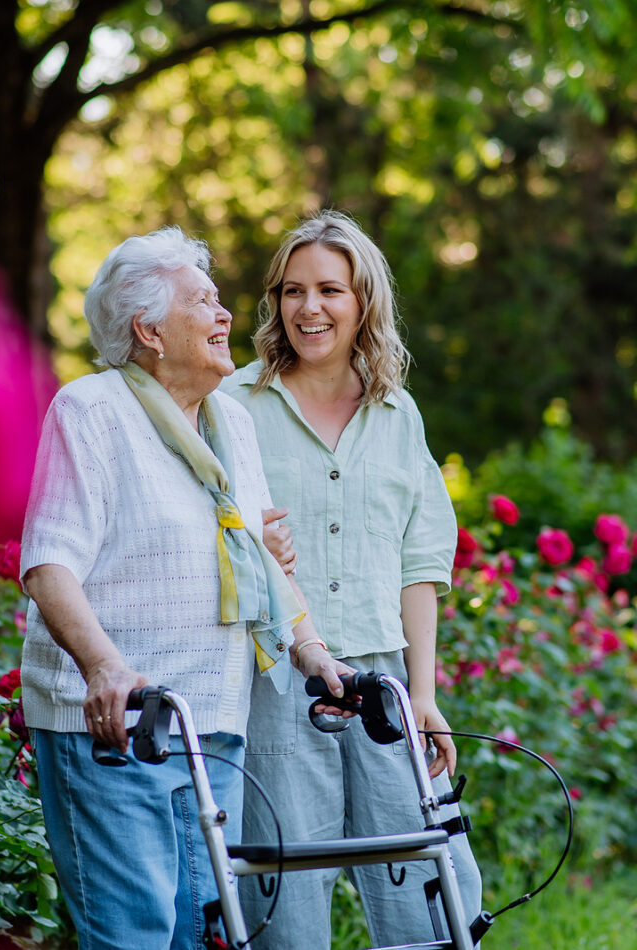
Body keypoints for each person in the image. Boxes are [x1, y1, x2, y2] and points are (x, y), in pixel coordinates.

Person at [19, 226, 348, 950]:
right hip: (117, 727)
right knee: (136, 933)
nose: (226, 314)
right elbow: (49, 562)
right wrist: (103, 665)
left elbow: (260, 559)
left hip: (212, 725)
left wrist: (313, 651)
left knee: (205, 935)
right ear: (149, 330)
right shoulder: (93, 411)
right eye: (203, 301)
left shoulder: (229, 420)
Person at [220, 210, 483, 949]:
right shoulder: (233, 407)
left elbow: (421, 564)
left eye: (330, 289)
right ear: (275, 302)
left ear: (363, 300)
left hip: (383, 684)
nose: (309, 308)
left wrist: (422, 694)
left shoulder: (398, 415)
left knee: (430, 891)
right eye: (292, 290)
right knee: (283, 896)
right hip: (276, 682)